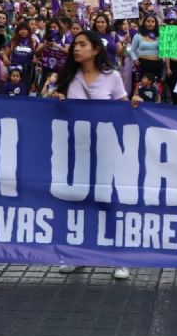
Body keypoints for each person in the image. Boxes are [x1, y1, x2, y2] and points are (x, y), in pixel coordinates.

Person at [54, 30, 140, 280]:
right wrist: (57, 98)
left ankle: (118, 258)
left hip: (105, 149)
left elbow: (123, 108)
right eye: (74, 44)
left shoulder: (111, 77)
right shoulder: (69, 77)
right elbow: (58, 109)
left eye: (82, 44)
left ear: (95, 49)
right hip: (76, 150)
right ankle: (77, 254)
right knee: (78, 200)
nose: (76, 48)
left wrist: (132, 103)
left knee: (107, 200)